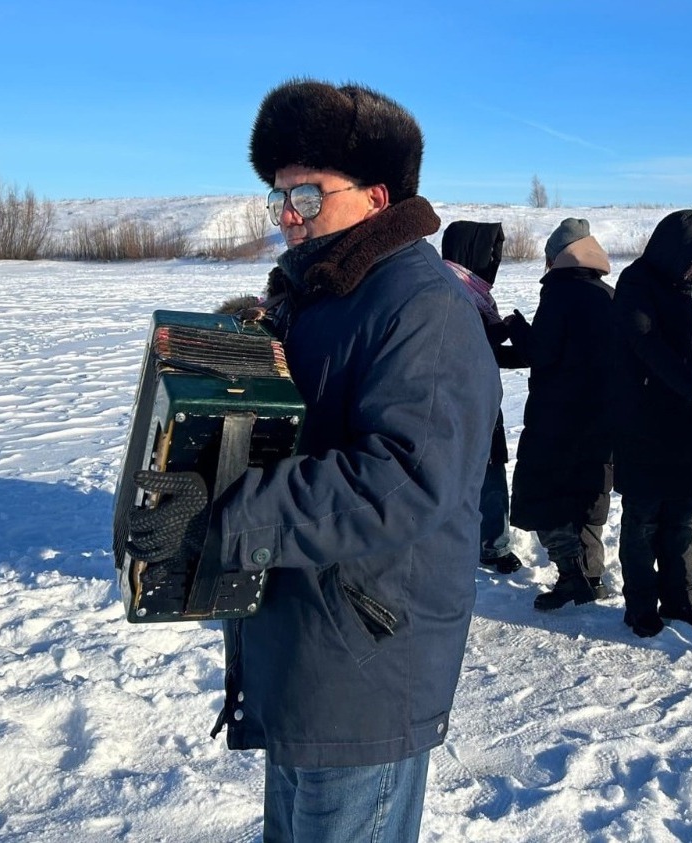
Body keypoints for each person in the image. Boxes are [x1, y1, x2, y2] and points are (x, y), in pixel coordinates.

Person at [127, 79, 500, 842]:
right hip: (306, 638)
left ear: (376, 196)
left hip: (367, 648)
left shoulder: (420, 305)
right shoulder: (327, 294)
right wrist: (250, 357)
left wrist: (228, 514)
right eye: (278, 200)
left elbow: (403, 478)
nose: (288, 219)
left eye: (305, 195)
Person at [611, 209, 692, 639]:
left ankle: (680, 601)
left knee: (683, 518)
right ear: (673, 250)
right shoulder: (635, 283)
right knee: (643, 518)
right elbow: (648, 346)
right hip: (643, 421)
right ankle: (641, 606)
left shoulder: (690, 289)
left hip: (685, 424)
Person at [505, 218, 616, 610]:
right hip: (599, 417)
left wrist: (514, 326)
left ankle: (573, 578)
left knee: (548, 497)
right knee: (585, 496)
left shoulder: (562, 294)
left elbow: (542, 352)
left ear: (558, 258)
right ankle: (592, 577)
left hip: (558, 418)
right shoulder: (605, 293)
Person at [441, 220, 526, 575]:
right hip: (455, 400)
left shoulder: (471, 290)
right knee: (468, 472)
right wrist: (499, 333)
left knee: (489, 469)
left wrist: (520, 349)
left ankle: (491, 542)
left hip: (481, 398)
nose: (493, 260)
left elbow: (483, 350)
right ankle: (488, 545)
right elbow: (456, 348)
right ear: (468, 251)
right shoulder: (446, 290)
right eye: (488, 252)